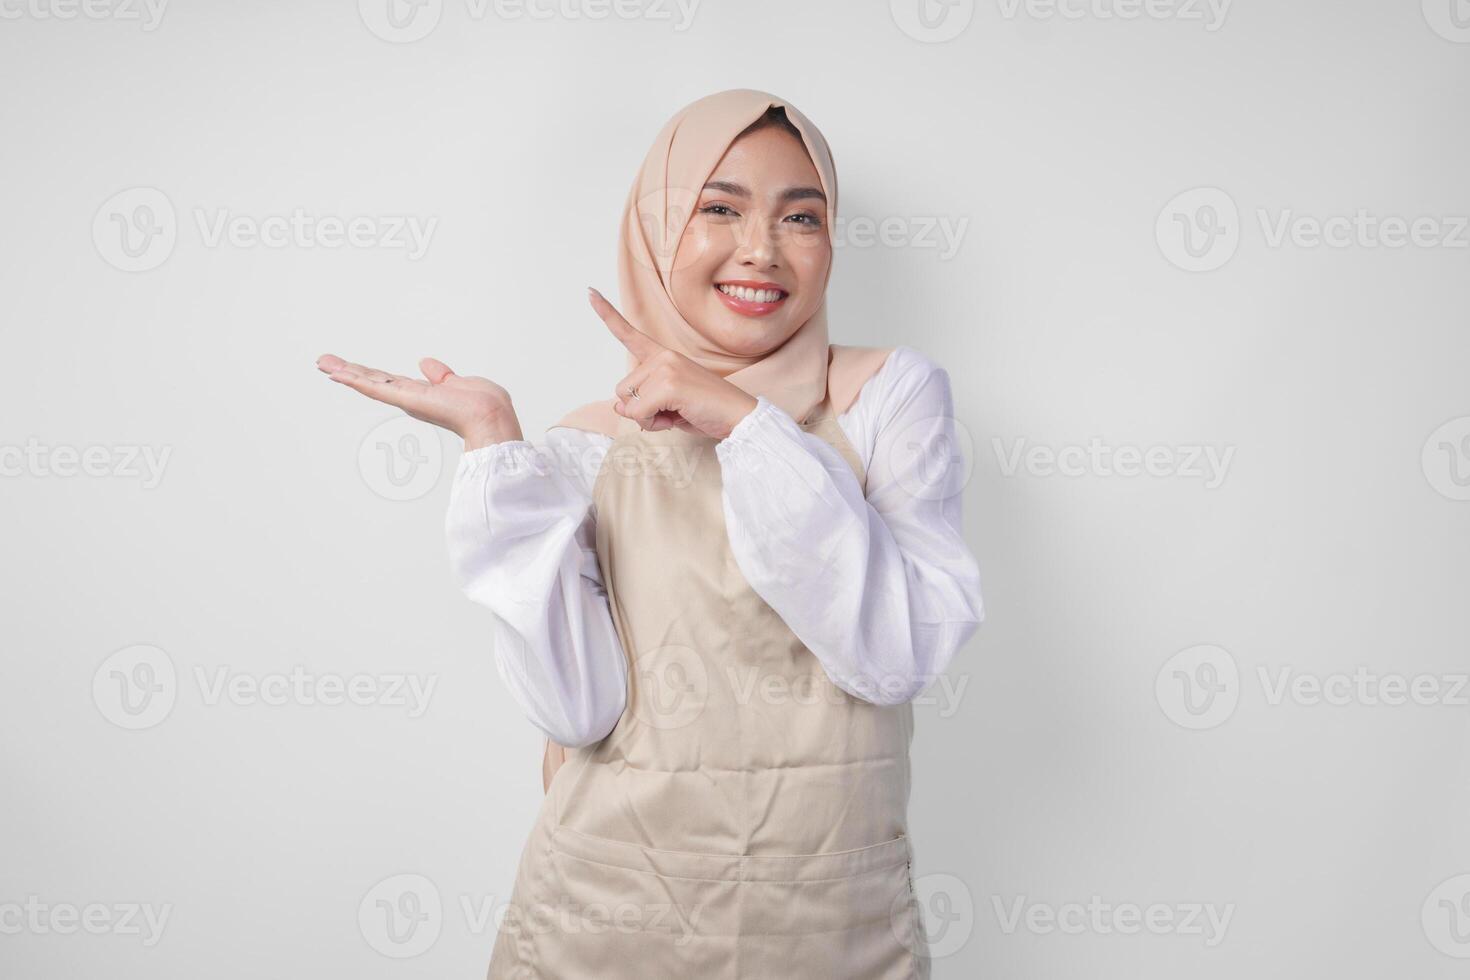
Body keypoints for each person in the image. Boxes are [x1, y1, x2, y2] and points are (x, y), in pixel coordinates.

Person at [317, 88, 983, 979]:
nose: (761, 249)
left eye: (802, 216)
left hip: (832, 932)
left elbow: (898, 654)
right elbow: (574, 713)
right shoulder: (588, 443)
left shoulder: (887, 397)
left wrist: (744, 423)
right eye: (719, 208)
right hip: (598, 924)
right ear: (655, 230)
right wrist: (493, 447)